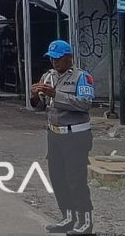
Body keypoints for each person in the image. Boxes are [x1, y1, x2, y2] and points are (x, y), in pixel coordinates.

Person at [31, 40, 95, 235]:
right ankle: (67, 217)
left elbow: (85, 104)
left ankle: (85, 222)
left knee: (75, 178)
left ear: (69, 58)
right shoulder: (47, 77)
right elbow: (42, 106)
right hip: (55, 135)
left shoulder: (82, 77)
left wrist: (56, 94)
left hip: (75, 135)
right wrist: (35, 97)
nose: (54, 62)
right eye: (51, 58)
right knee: (57, 178)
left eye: (58, 58)